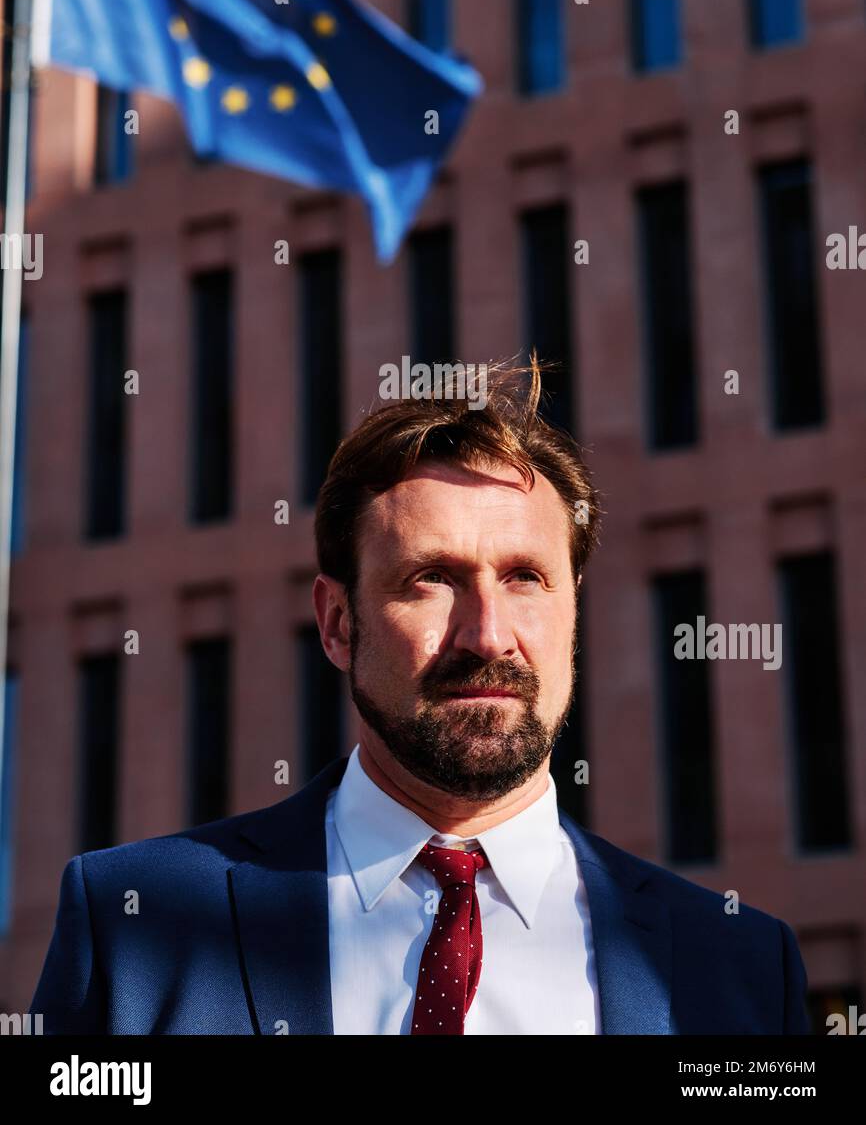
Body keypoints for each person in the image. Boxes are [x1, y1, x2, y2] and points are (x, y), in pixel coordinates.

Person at [30, 359, 810, 1034]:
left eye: (525, 579)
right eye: (431, 579)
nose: (488, 635)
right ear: (338, 624)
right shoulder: (131, 925)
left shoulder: (739, 971)